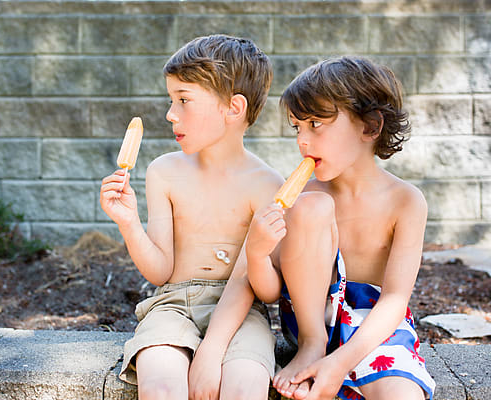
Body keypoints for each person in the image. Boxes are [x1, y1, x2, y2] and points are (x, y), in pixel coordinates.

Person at [100, 34, 283, 400]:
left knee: (245, 384)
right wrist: (129, 223)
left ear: (233, 108)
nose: (170, 113)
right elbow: (160, 271)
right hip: (171, 305)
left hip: (244, 311)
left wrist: (213, 350)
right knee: (162, 383)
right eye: (171, 100)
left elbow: (267, 291)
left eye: (183, 100)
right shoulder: (163, 172)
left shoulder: (267, 186)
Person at [246, 56, 436, 400]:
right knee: (313, 205)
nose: (302, 140)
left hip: (375, 325)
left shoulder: (406, 201)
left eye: (316, 124)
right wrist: (257, 253)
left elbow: (395, 299)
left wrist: (341, 363)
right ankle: (312, 346)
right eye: (297, 127)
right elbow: (269, 291)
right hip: (311, 320)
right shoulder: (302, 196)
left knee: (402, 393)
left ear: (370, 127)